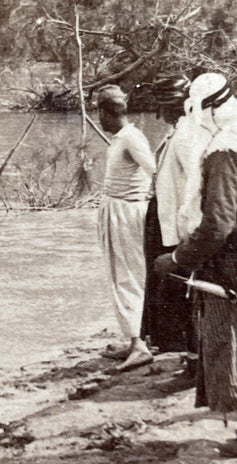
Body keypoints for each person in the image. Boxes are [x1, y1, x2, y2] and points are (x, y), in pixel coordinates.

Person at [154, 73, 237, 454]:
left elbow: (218, 222)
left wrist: (177, 257)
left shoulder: (223, 149)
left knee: (227, 346)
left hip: (229, 266)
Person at [96, 84, 156, 371]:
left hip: (127, 213)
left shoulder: (132, 138)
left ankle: (139, 345)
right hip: (116, 210)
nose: (99, 120)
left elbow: (155, 171)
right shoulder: (121, 138)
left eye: (100, 113)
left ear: (107, 113)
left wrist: (143, 198)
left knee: (129, 275)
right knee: (119, 274)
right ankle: (134, 338)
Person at [142, 73, 199, 355]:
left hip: (177, 221)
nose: (159, 111)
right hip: (164, 216)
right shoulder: (176, 131)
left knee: (175, 284)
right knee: (162, 282)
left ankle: (179, 347)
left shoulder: (186, 134)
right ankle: (166, 342)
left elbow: (195, 181)